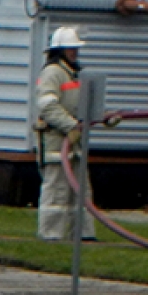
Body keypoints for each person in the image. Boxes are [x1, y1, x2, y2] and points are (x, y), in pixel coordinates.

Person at [31, 26, 95, 242]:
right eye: (70, 49)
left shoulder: (75, 72)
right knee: (57, 192)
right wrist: (71, 126)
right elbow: (48, 106)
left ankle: (83, 234)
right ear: (59, 50)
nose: (74, 52)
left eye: (76, 48)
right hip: (57, 143)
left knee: (81, 191)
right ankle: (51, 234)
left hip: (75, 144)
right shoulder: (52, 73)